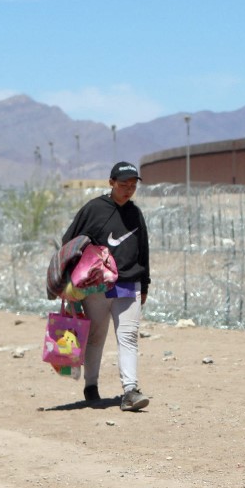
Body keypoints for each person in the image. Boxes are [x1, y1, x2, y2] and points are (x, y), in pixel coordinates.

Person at [60, 161, 151, 412]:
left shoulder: (135, 214)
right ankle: (91, 386)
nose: (128, 190)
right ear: (111, 183)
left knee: (129, 337)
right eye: (123, 185)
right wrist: (73, 279)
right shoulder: (94, 209)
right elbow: (69, 242)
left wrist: (145, 284)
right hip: (97, 288)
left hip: (129, 284)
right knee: (96, 336)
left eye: (133, 186)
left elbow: (143, 251)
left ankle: (130, 391)